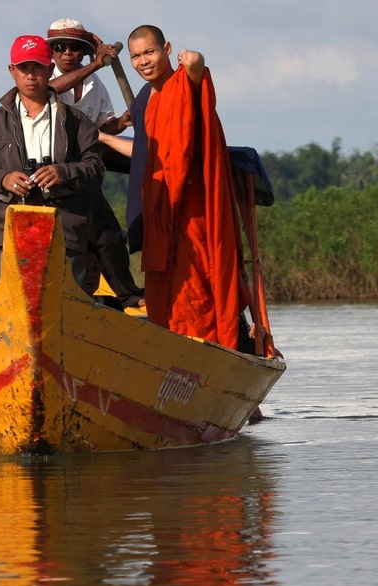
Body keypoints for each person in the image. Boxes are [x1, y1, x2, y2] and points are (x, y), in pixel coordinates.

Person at [125, 24, 244, 349]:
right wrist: (106, 138)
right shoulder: (150, 103)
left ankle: (208, 359)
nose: (142, 61)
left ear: (167, 48)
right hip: (162, 217)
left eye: (149, 51)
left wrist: (193, 59)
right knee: (167, 296)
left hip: (192, 214)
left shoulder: (182, 84)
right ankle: (174, 358)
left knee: (197, 292)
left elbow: (197, 69)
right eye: (136, 56)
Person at [0, 34, 104, 290]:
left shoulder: (77, 121)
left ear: (50, 69)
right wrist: (4, 179)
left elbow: (96, 169)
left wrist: (62, 173)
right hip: (10, 234)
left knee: (64, 310)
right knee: (11, 310)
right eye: (23, 68)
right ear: (12, 71)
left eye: (38, 67)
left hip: (65, 234)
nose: (30, 75)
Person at [45, 18, 144, 308]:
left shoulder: (94, 83)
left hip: (85, 174)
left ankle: (128, 295)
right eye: (60, 47)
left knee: (110, 237)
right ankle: (62, 299)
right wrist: (96, 63)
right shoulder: (43, 77)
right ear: (51, 52)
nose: (66, 53)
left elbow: (102, 128)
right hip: (54, 178)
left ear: (83, 51)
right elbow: (48, 93)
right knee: (65, 244)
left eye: (74, 48)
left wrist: (123, 122)